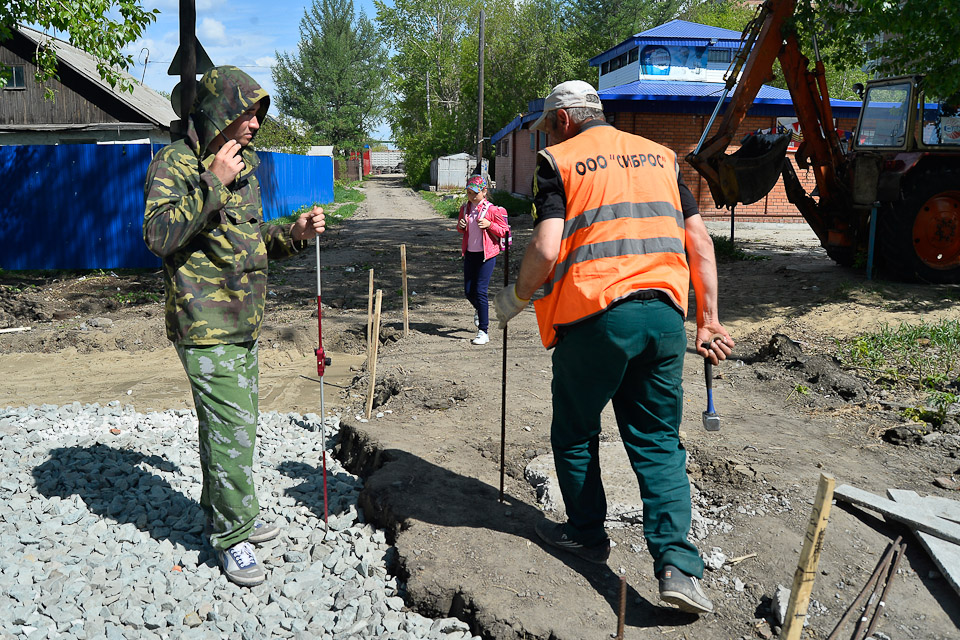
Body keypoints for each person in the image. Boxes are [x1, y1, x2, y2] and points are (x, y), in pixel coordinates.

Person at [494, 80, 734, 615]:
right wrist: (709, 321)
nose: (546, 137)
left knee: (576, 430)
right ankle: (677, 567)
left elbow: (547, 247)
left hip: (597, 317)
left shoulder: (559, 162)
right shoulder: (662, 157)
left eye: (547, 127)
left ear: (563, 120)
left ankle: (586, 533)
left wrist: (515, 298)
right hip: (666, 318)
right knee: (658, 440)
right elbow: (698, 241)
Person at [142, 66, 326, 587]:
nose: (255, 123)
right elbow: (157, 235)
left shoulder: (242, 165)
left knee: (226, 427)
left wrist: (293, 233)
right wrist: (212, 183)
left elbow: (250, 241)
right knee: (233, 428)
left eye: (259, 114)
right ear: (218, 111)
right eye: (247, 112)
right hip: (204, 321)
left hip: (243, 321)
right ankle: (233, 535)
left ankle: (220, 509)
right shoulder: (176, 164)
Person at [457, 174, 510, 345]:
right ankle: (480, 311)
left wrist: (490, 225)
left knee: (480, 291)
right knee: (468, 291)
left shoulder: (492, 210)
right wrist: (461, 226)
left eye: (476, 193)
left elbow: (505, 231)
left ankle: (483, 331)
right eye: (469, 193)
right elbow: (460, 228)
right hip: (470, 254)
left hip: (487, 256)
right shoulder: (465, 208)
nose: (472, 196)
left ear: (484, 192)